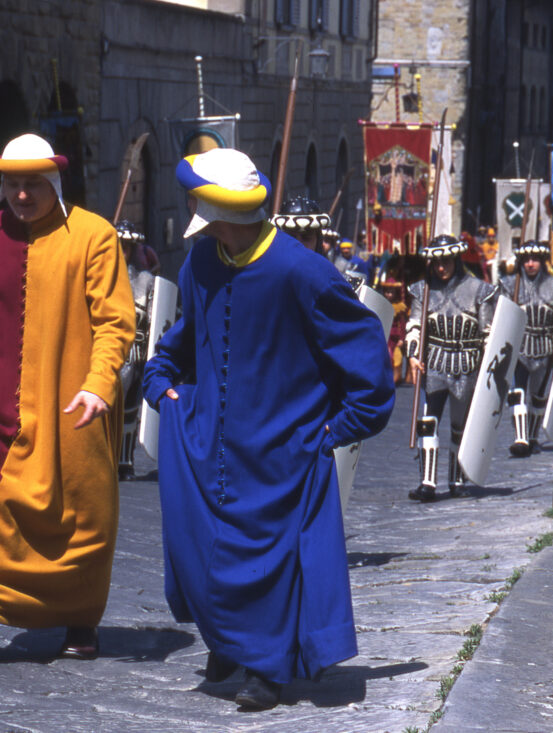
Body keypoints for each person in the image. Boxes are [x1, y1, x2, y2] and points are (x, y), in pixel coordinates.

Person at [143, 148, 394, 710]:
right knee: (201, 546)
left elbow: (367, 361)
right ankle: (230, 643)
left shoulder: (303, 271)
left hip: (284, 450)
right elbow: (184, 337)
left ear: (213, 209)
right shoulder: (200, 263)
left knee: (272, 563)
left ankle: (268, 667)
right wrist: (159, 379)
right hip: (209, 443)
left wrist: (332, 433)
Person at [0, 134, 134, 664]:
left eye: (31, 184)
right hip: (0, 405)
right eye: (12, 184)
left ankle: (80, 620)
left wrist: (99, 383)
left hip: (73, 403)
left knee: (79, 515)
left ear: (53, 182)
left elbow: (114, 321)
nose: (21, 195)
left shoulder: (93, 236)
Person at [407, 235, 497, 501]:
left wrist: (486, 369)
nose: (441, 267)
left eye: (445, 261)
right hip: (434, 362)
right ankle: (428, 483)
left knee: (460, 426)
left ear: (455, 260)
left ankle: (457, 480)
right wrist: (413, 355)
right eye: (436, 262)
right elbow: (414, 326)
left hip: (466, 365)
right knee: (427, 423)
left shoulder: (480, 291)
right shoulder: (421, 290)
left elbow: (488, 334)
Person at [498, 240, 553, 456]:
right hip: (520, 346)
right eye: (526, 260)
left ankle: (533, 436)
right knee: (517, 393)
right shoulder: (509, 284)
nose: (530, 264)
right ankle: (521, 438)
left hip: (545, 347)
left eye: (534, 260)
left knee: (538, 397)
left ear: (542, 261)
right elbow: (502, 317)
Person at [114, 220, 156, 481]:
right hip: (108, 355)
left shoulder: (146, 281)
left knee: (130, 412)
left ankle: (124, 461)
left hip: (136, 354)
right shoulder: (97, 275)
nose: (122, 252)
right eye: (118, 246)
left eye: (127, 247)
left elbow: (154, 318)